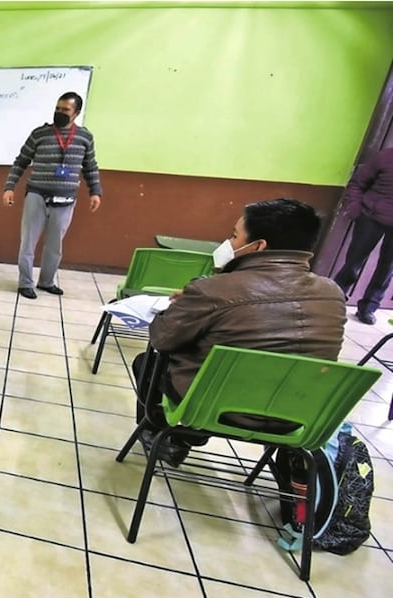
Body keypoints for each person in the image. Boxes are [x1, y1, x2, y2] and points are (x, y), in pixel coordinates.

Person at [134, 198, 346, 465]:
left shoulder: (214, 290)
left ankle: (172, 438)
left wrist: (191, 299)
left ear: (258, 246)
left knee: (148, 363)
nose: (228, 243)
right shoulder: (332, 294)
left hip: (214, 409)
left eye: (234, 236)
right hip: (296, 414)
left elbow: (162, 339)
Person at [2, 91, 103, 299]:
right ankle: (25, 283)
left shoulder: (84, 137)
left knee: (55, 245)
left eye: (65, 110)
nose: (60, 113)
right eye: (57, 109)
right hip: (37, 195)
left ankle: (47, 281)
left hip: (66, 199)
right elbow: (20, 161)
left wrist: (95, 192)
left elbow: (90, 166)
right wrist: (9, 187)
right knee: (28, 242)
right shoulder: (40, 134)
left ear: (76, 113)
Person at [332, 148, 393, 325]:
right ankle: (336, 300)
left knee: (387, 269)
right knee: (354, 261)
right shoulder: (385, 156)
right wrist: (354, 208)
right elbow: (357, 183)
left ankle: (368, 308)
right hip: (370, 217)